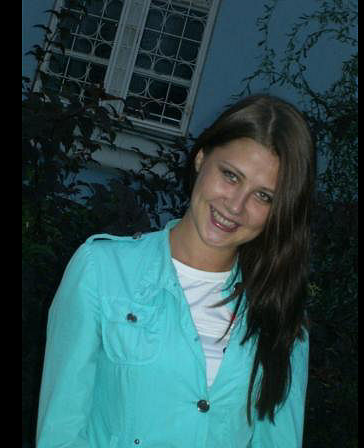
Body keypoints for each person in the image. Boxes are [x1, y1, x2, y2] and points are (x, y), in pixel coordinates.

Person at [36, 94, 316, 447]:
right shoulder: (101, 269)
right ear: (201, 158)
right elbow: (60, 433)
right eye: (230, 176)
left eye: (264, 196)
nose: (236, 206)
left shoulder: (281, 312)